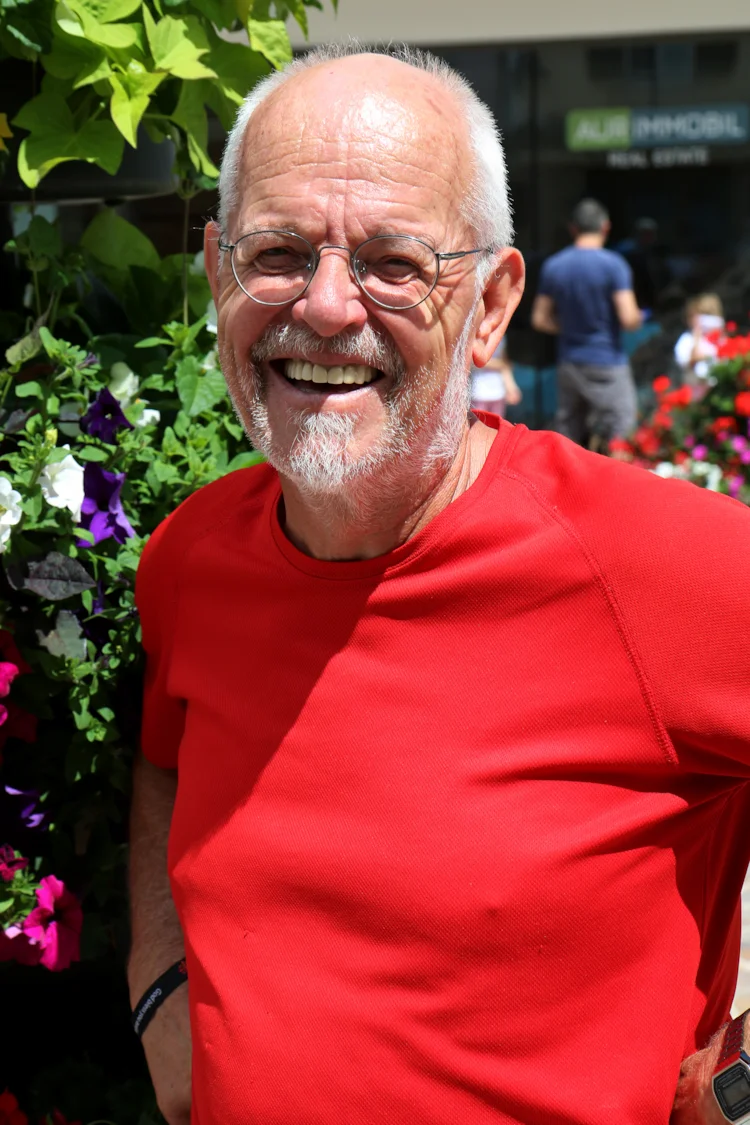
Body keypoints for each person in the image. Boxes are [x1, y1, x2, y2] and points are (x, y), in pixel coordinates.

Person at [129, 45, 750, 1125]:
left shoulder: (657, 564)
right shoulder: (190, 559)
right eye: (277, 253)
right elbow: (162, 762)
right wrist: (159, 987)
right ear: (219, 274)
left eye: (393, 263)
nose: (327, 307)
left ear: (495, 301)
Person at [531, 198, 643, 449]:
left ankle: (567, 477)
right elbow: (628, 318)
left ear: (573, 228)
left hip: (569, 361)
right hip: (607, 361)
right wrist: (640, 317)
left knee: (570, 433)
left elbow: (540, 319)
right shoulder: (614, 265)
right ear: (606, 227)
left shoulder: (554, 266)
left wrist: (568, 328)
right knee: (622, 431)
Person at [674, 293, 725, 389]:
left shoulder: (720, 337)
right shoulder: (687, 339)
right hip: (699, 390)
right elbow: (691, 360)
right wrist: (697, 336)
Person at [469, 336, 521, 417]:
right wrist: (499, 364)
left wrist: (512, 387)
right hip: (478, 393)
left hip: (498, 393)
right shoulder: (473, 336)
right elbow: (472, 362)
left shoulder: (502, 337)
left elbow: (505, 365)